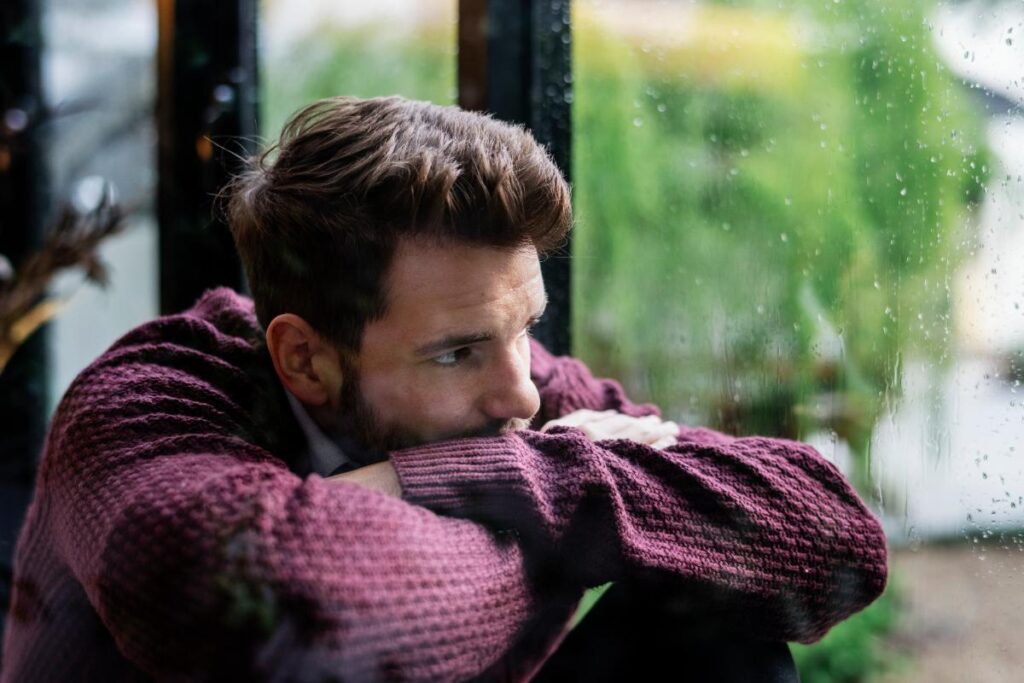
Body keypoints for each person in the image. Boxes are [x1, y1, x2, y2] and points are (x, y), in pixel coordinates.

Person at [1, 96, 888, 681]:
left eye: (526, 326)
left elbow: (834, 544)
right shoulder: (142, 406)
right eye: (457, 352)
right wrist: (588, 525)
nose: (525, 399)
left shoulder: (519, 384)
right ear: (306, 358)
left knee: (717, 627)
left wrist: (488, 481)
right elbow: (284, 616)